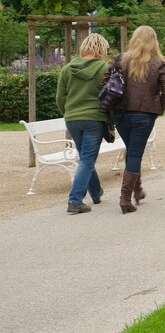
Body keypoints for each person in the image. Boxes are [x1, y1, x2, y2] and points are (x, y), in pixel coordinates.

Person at [112, 26, 165, 214]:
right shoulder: (158, 63)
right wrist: (158, 107)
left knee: (132, 150)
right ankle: (125, 198)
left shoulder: (120, 60)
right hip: (144, 114)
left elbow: (106, 81)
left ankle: (137, 190)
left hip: (120, 113)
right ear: (154, 42)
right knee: (136, 153)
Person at [56, 33, 111, 214]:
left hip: (72, 119)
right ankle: (75, 200)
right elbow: (109, 96)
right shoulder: (104, 68)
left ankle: (95, 192)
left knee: (86, 158)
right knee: (87, 159)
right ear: (101, 48)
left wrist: (69, 113)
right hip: (94, 118)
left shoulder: (67, 69)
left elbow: (60, 98)